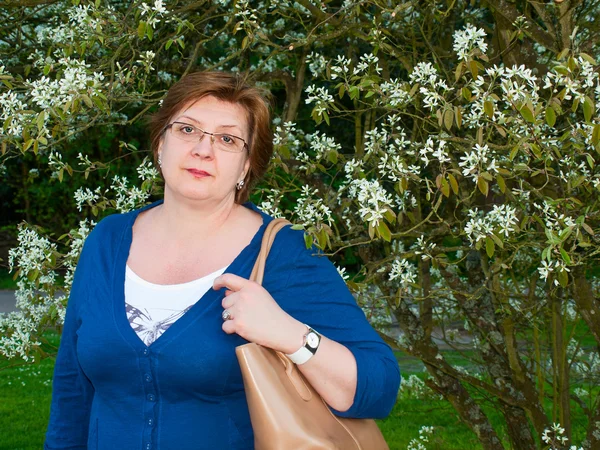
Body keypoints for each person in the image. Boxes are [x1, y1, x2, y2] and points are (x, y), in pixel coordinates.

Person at [44, 71, 401, 450]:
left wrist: (288, 334)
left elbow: (378, 388)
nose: (203, 150)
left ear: (246, 167)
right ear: (160, 144)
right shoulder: (107, 240)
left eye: (227, 139)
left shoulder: (282, 254)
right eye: (187, 130)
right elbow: (72, 392)